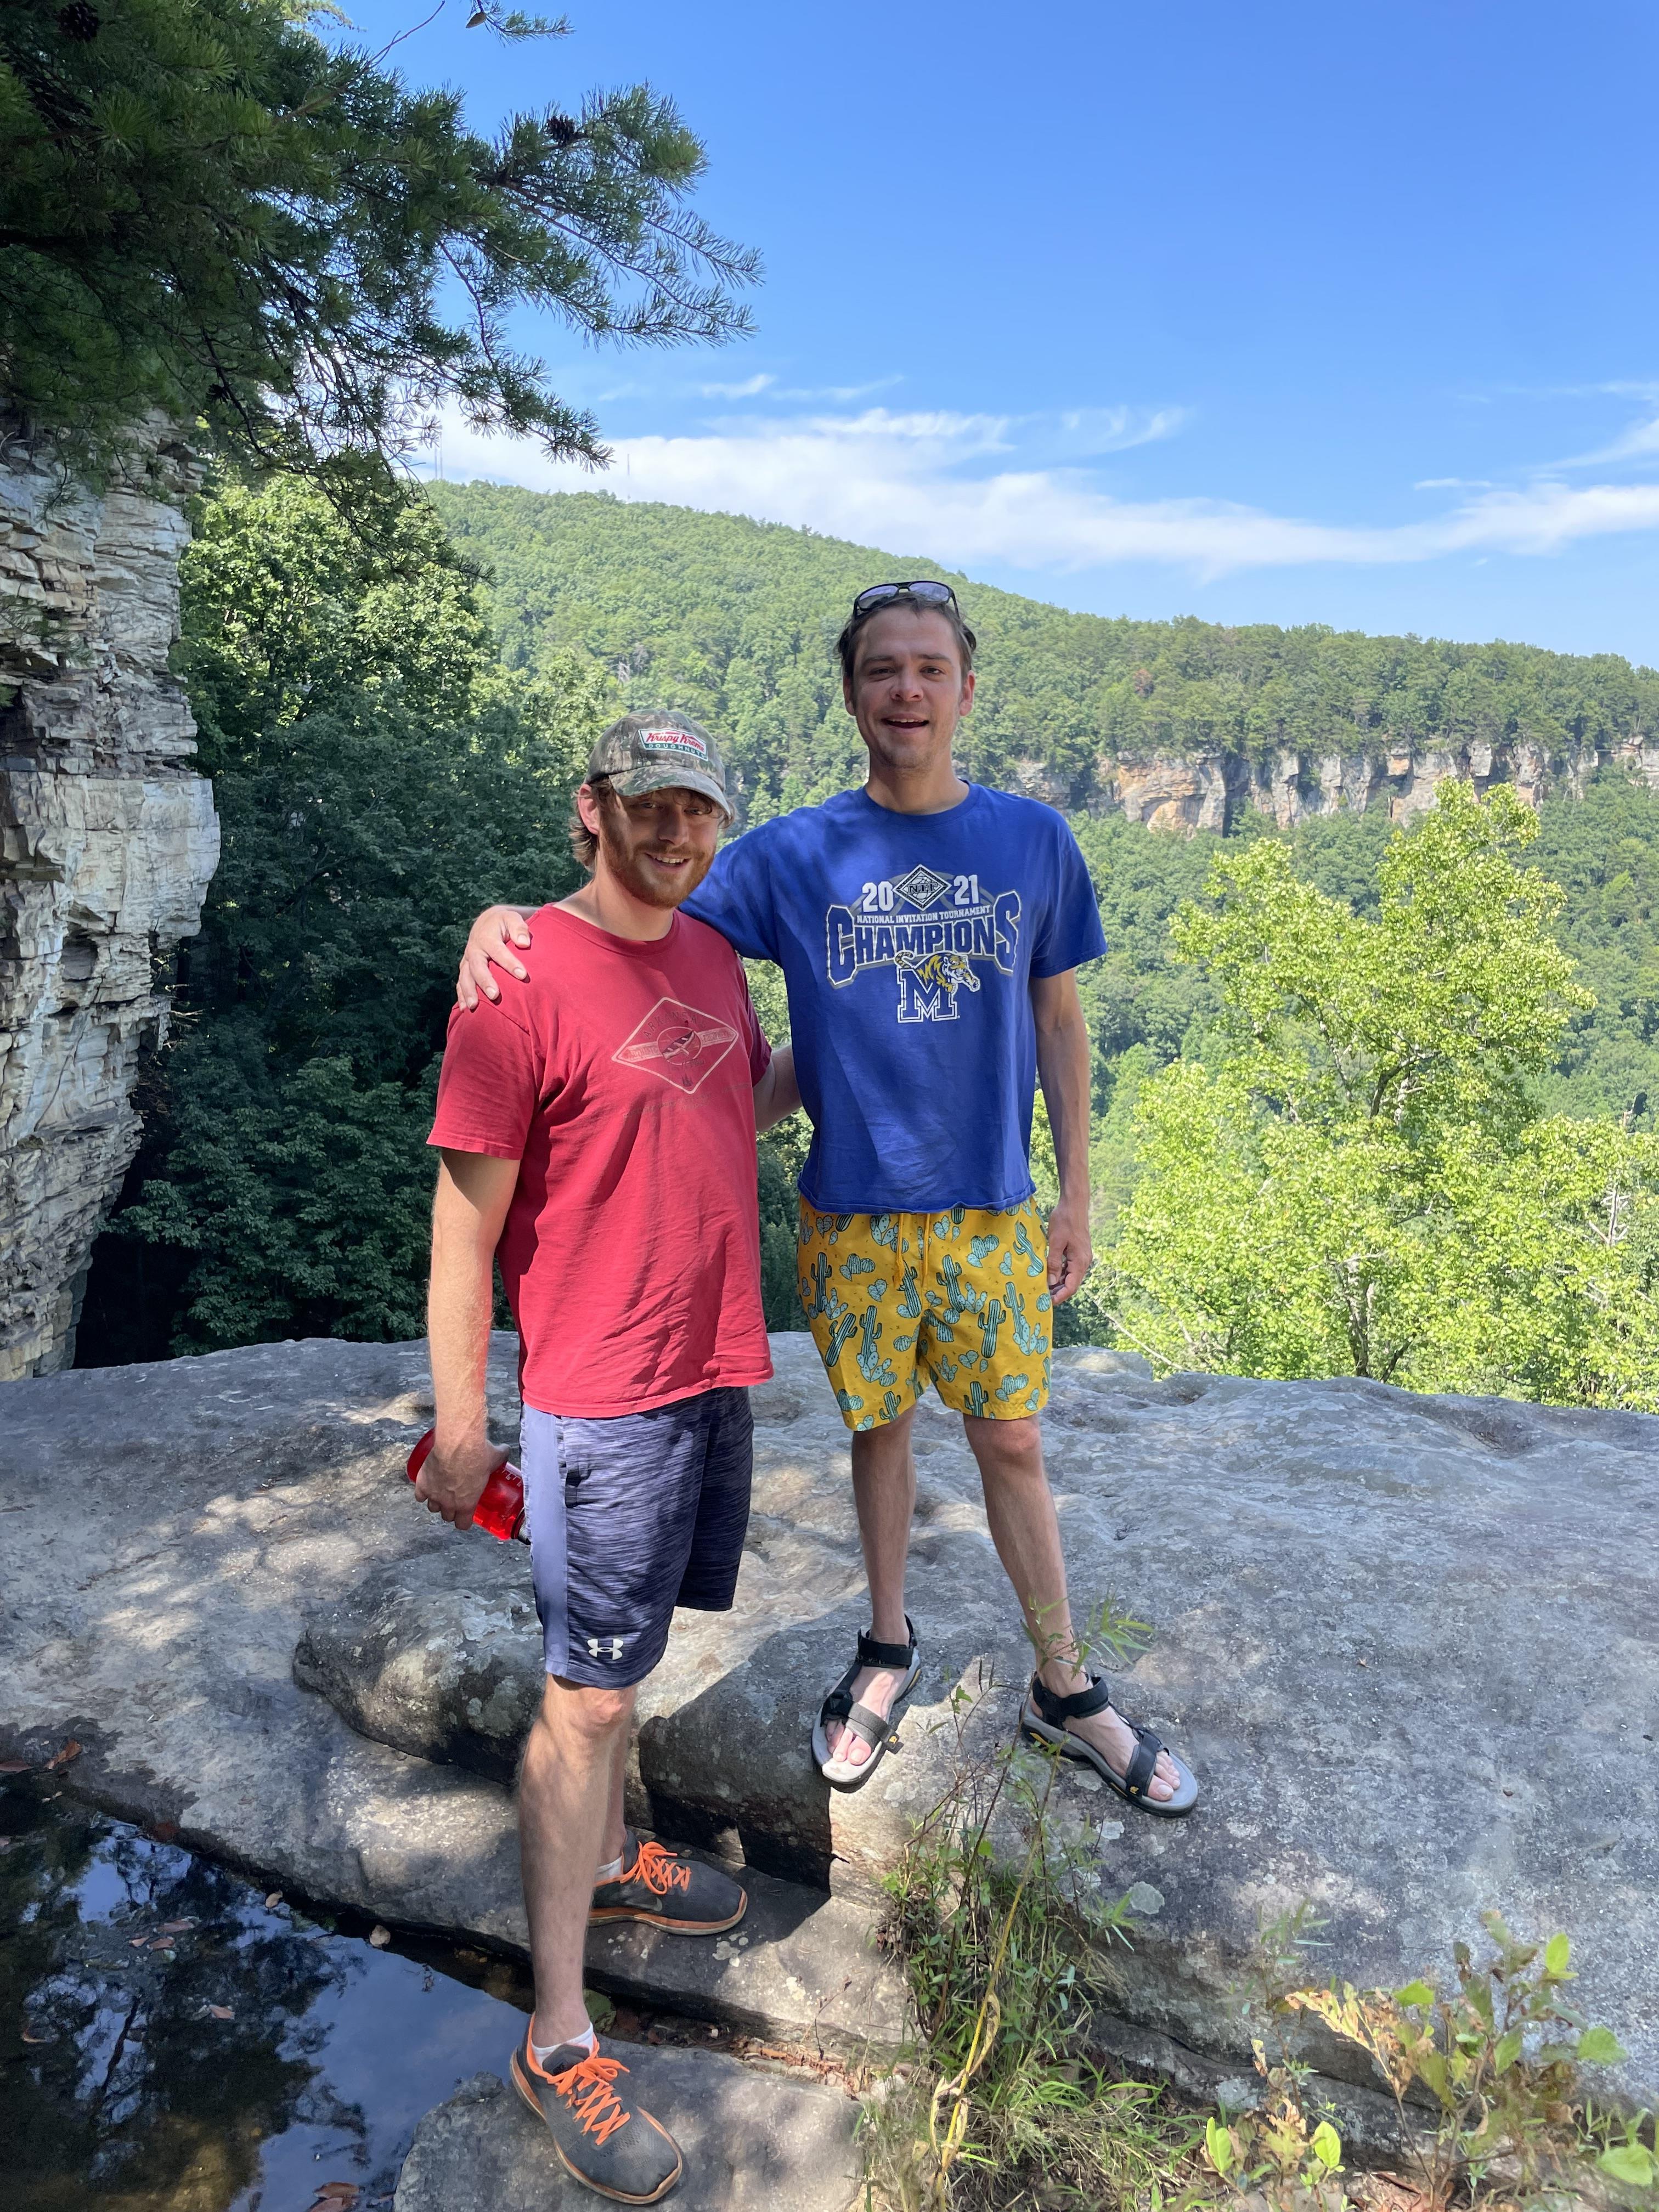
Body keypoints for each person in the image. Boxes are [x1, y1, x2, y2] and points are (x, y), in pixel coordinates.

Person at [458, 585, 1198, 1818]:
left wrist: (1080, 1191)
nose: (906, 690)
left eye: (929, 667)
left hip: (993, 1210)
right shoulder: (796, 853)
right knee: (883, 1432)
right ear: (853, 693)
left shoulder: (1032, 842)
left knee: (1011, 1437)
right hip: (851, 1213)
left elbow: (1059, 1018)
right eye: (882, 670)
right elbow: (634, 911)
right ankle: (889, 1644)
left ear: (966, 687)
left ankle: (1063, 1686)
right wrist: (514, 922)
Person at [419, 707, 800, 2205]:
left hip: (711, 1374)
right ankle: (559, 2036)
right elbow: (463, 1220)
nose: (678, 830)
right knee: (582, 1702)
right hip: (603, 1399)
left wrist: (830, 1057)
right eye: (651, 805)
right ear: (594, 807)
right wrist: (464, 1421)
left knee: (620, 1669)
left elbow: (733, 1099)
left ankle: (609, 1855)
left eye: (700, 808)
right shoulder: (513, 980)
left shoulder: (709, 953)